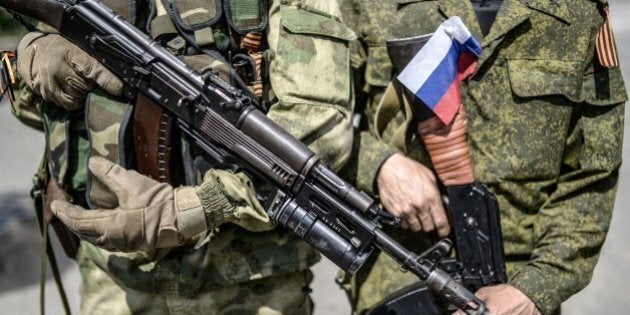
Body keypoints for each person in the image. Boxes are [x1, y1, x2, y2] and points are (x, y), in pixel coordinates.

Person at [14, 0, 357, 313]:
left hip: (245, 283)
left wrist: (201, 206)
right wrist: (35, 52)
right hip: (114, 277)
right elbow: (44, 116)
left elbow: (317, 131)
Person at [338, 0, 627, 314]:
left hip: (517, 284)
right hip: (400, 265)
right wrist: (379, 166)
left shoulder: (578, 9)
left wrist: (536, 286)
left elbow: (594, 168)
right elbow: (313, 120)